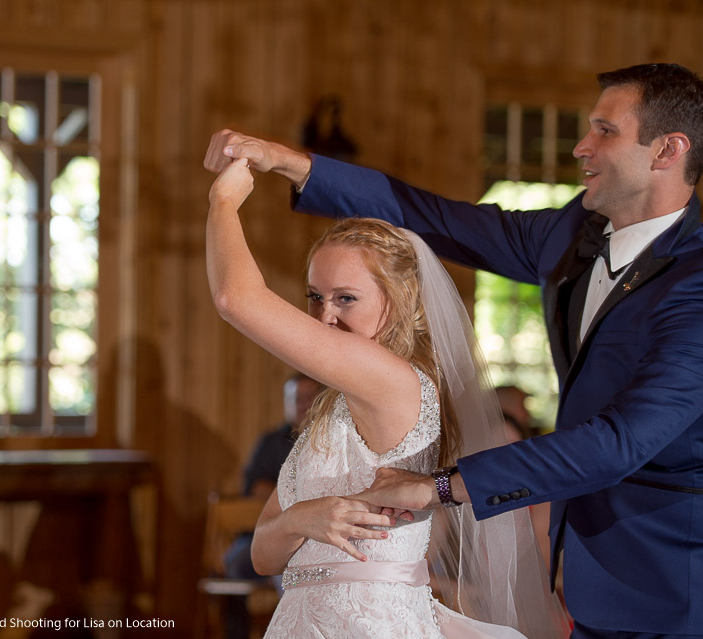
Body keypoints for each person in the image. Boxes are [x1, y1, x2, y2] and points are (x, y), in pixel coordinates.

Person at [204, 63, 703, 638]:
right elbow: (432, 218)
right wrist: (288, 162)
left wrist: (439, 486)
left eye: (605, 131)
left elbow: (620, 442)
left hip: (688, 590)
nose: (582, 147)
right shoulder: (572, 238)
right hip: (595, 581)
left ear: (668, 151)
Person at [206, 162, 569, 637]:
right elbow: (262, 554)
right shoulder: (333, 408)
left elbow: (236, 298)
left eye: (346, 299)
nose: (325, 317)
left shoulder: (397, 383)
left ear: (399, 301)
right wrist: (301, 517)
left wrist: (224, 202)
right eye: (316, 296)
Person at [222, 373, 321, 639]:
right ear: (286, 403)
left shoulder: (325, 441)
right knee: (233, 562)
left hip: (315, 539)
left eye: (310, 398)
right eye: (298, 399)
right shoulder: (270, 442)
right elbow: (256, 489)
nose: (304, 404)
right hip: (260, 533)